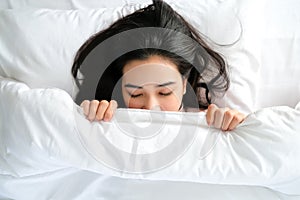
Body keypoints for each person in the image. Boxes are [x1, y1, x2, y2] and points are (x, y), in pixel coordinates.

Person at [72, 0, 245, 131]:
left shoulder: (208, 123)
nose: (151, 107)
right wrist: (89, 119)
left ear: (184, 84)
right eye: (136, 93)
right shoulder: (109, 119)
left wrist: (238, 127)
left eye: (164, 92)